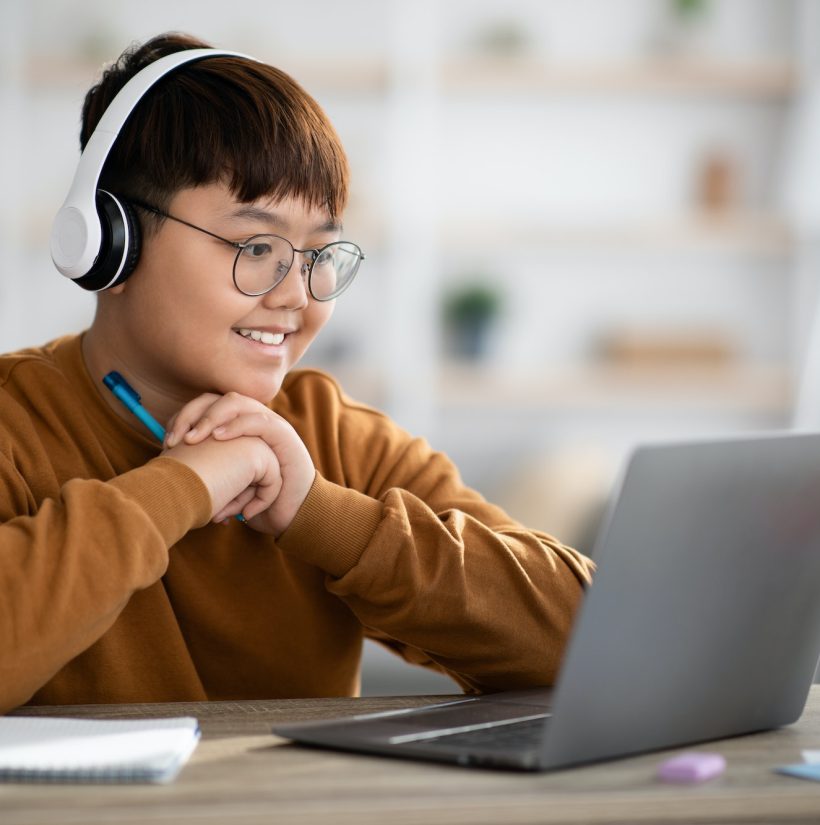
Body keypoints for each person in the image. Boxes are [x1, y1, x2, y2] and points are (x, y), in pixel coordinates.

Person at [0, 32, 593, 712]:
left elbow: (590, 636)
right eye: (257, 246)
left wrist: (319, 513)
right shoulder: (15, 426)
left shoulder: (332, 437)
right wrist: (186, 483)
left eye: (321, 254)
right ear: (109, 243)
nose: (297, 294)